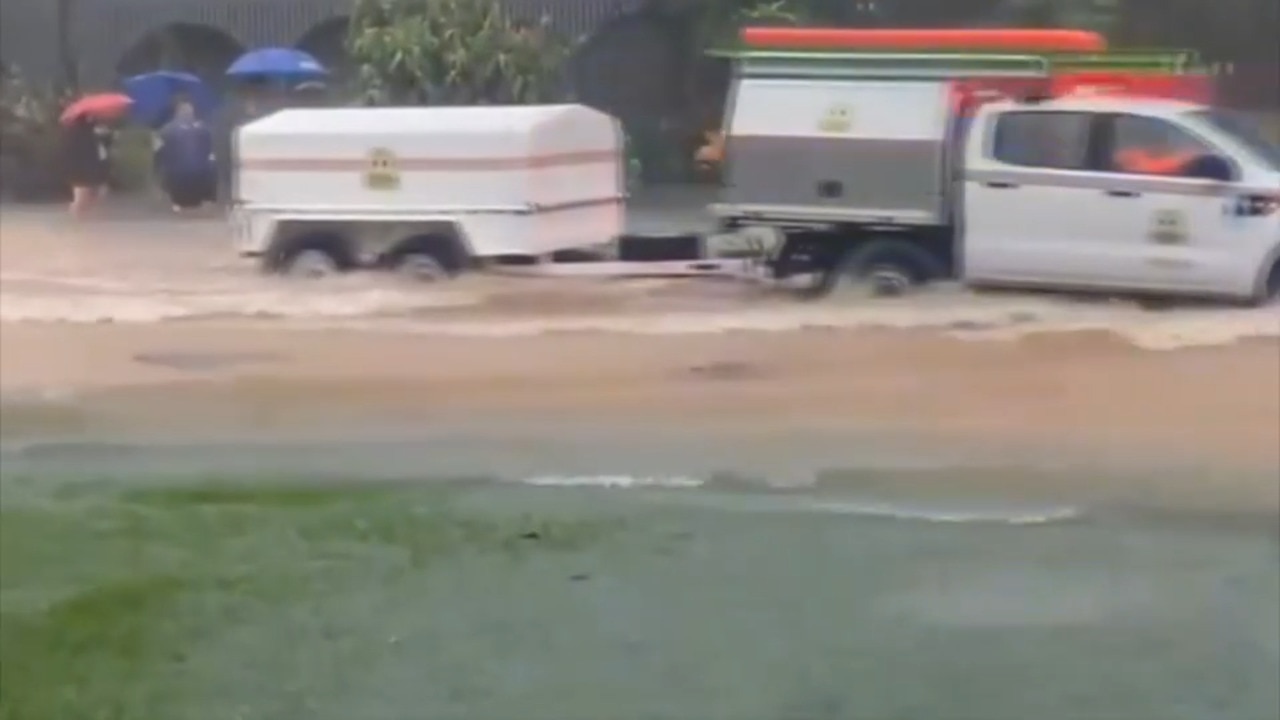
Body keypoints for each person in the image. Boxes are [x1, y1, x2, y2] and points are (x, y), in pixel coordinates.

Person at [156, 98, 215, 211]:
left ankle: (176, 202)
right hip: (199, 172)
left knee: (165, 166)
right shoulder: (203, 127)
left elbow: (159, 151)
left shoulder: (167, 129)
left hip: (177, 173)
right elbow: (210, 148)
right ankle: (206, 200)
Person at [61, 116, 113, 218]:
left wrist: (104, 136)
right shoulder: (79, 133)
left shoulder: (95, 132)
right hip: (82, 168)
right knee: (82, 194)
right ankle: (76, 215)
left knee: (97, 191)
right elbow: (80, 150)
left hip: (94, 166)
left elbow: (103, 146)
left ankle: (82, 214)